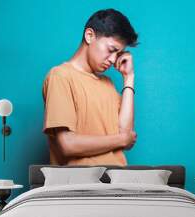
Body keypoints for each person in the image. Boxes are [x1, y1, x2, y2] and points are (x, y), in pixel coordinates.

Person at [42, 8, 138, 166]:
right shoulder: (60, 76)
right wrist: (121, 139)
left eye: (119, 54)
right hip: (81, 186)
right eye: (111, 50)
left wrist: (129, 78)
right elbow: (68, 145)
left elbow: (126, 136)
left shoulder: (108, 84)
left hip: (117, 183)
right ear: (89, 36)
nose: (113, 60)